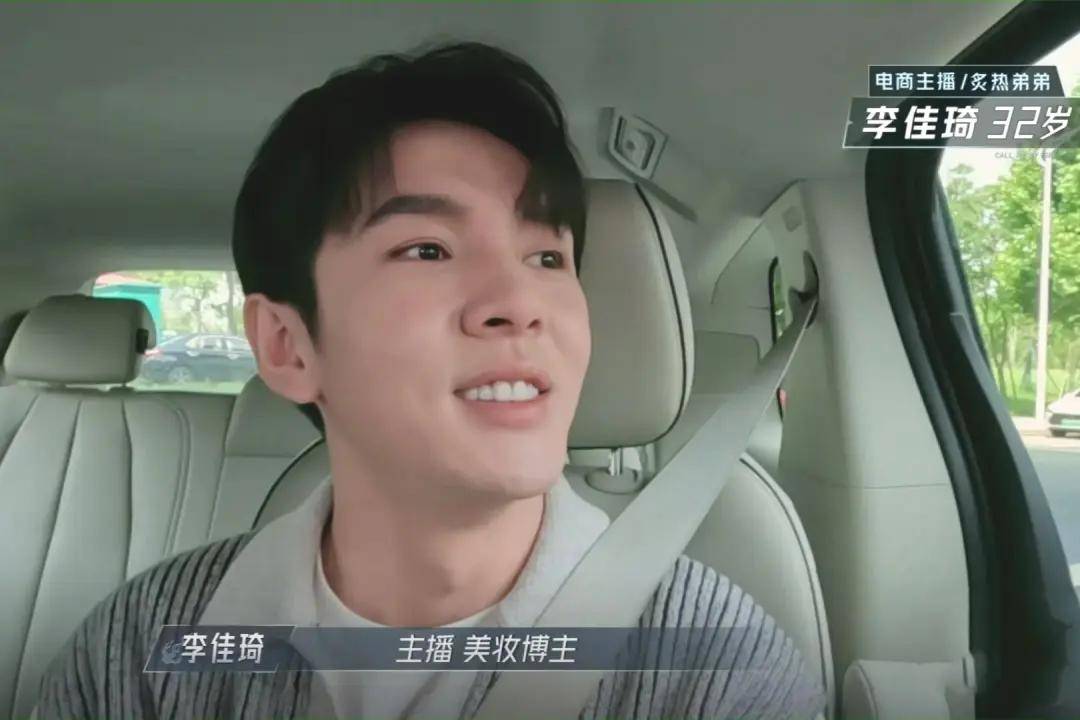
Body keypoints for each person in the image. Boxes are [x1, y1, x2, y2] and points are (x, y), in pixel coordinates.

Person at [36, 40, 826, 719]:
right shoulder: (141, 650)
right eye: (428, 250)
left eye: (547, 257)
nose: (519, 303)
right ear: (287, 345)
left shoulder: (713, 666)